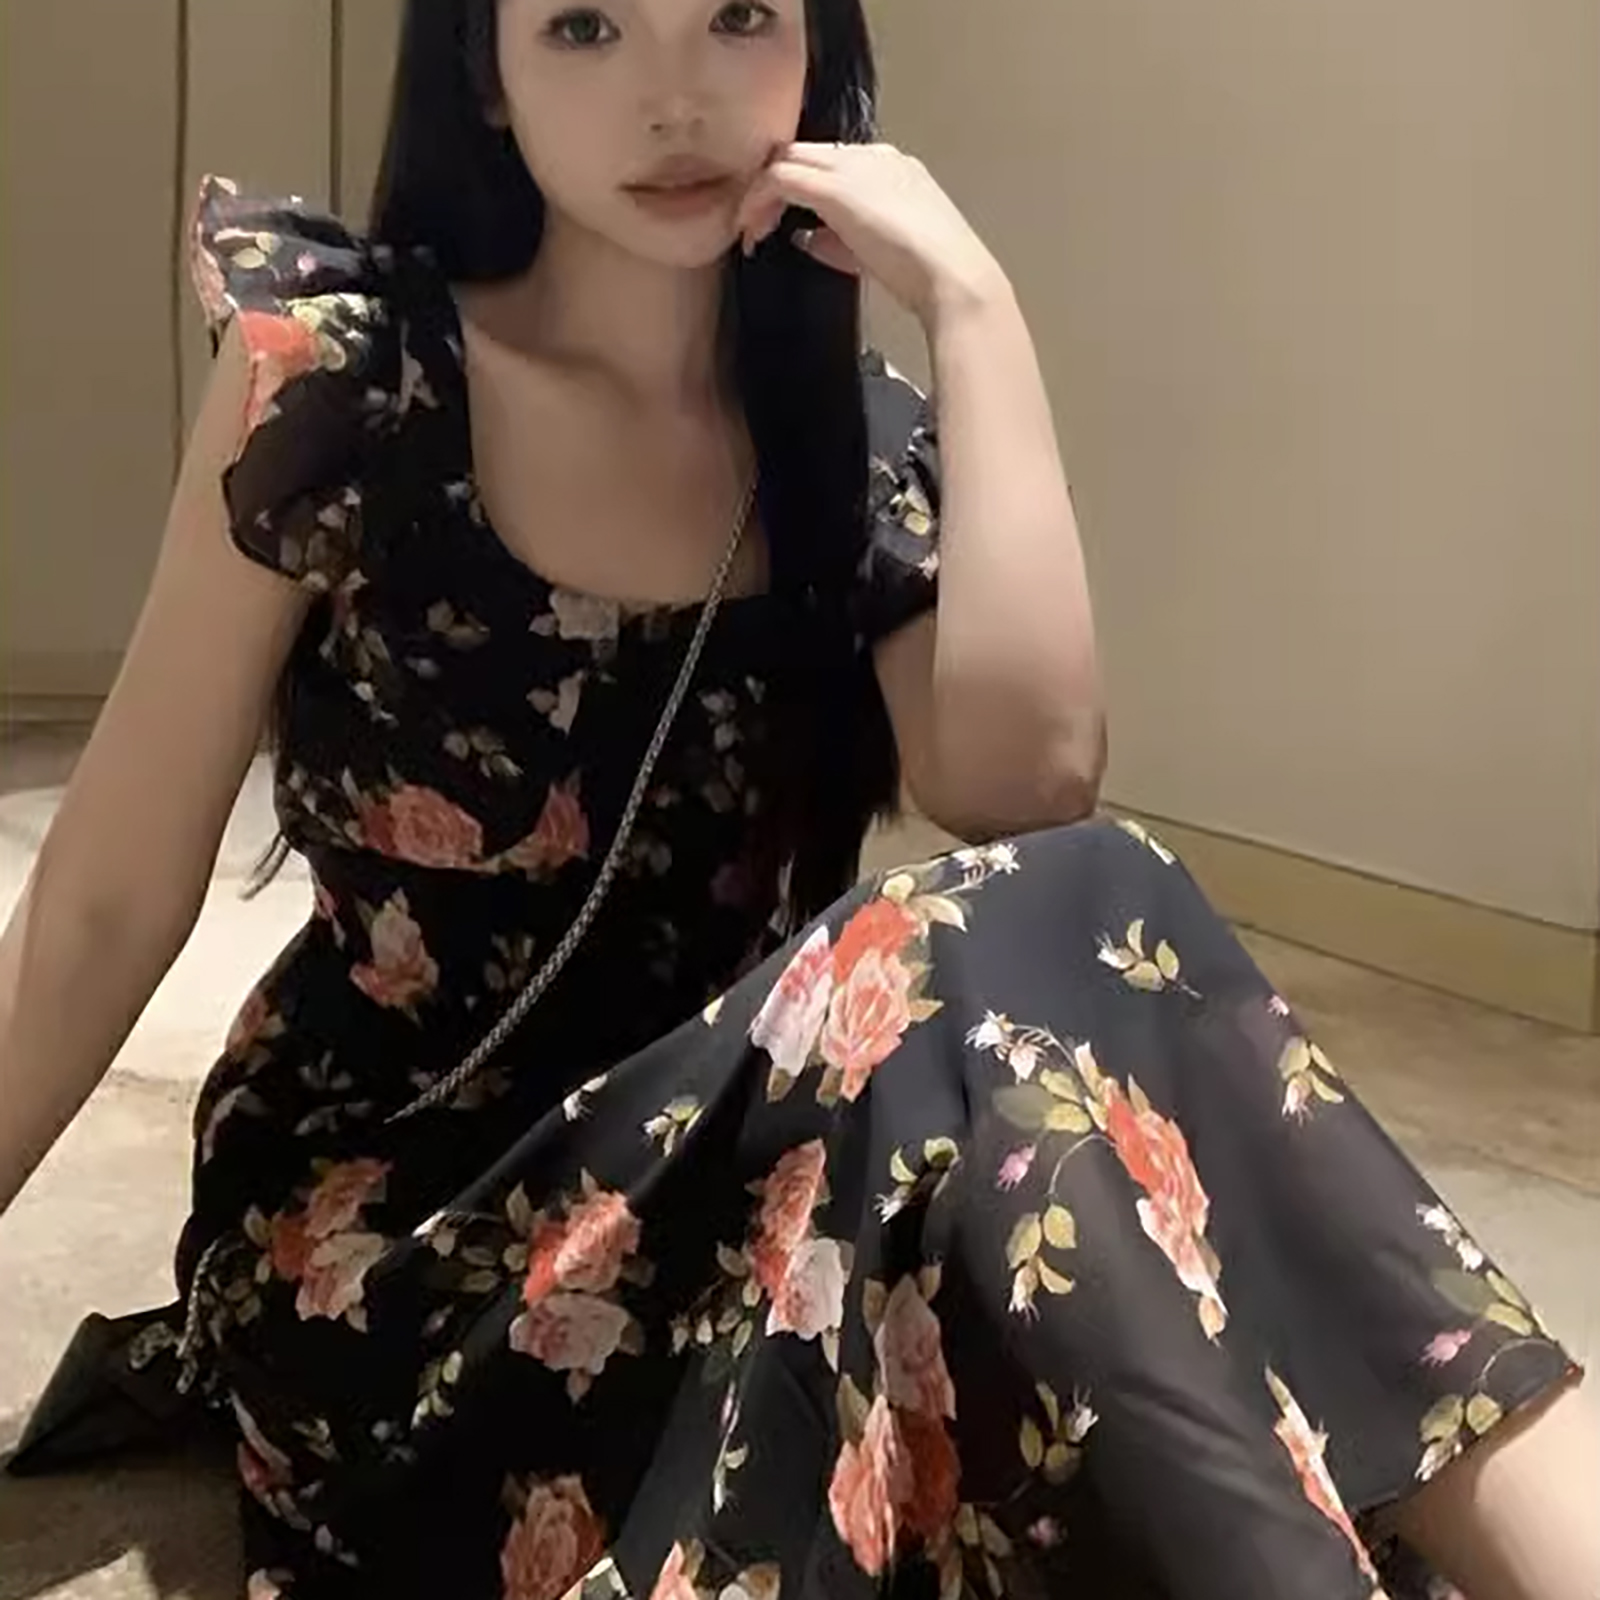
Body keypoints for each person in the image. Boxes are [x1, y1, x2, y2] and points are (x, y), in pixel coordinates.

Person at [1, 1, 1595, 1596]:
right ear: (485, 74)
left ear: (813, 48)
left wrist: (976, 310)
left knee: (1078, 929)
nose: (674, 94)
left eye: (739, 17)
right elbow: (104, 903)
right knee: (958, 980)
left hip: (760, 1201)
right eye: (586, 26)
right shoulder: (350, 382)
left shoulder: (843, 435)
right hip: (407, 1258)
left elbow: (1030, 787)